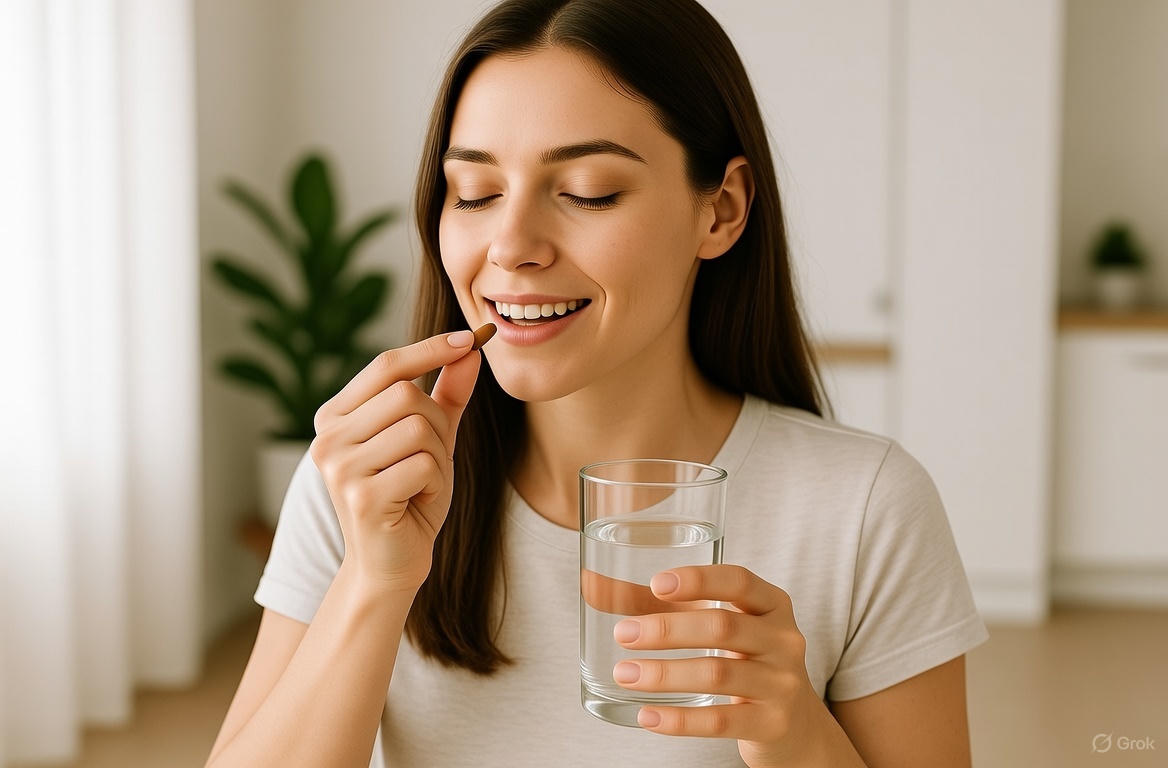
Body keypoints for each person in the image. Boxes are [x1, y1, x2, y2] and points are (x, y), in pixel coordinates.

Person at [206, 0, 988, 766]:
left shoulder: (863, 508)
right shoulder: (372, 478)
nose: (509, 247)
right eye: (474, 194)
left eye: (587, 190)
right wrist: (375, 582)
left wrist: (795, 736)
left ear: (720, 209)